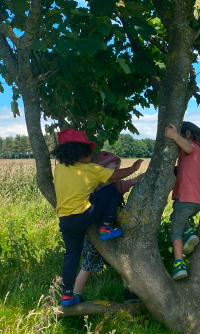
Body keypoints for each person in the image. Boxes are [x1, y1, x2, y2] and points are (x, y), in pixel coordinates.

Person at [53, 129, 143, 307]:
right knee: (110, 190)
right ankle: (106, 226)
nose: (92, 157)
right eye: (89, 153)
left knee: (71, 256)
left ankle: (67, 294)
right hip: (83, 216)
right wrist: (133, 168)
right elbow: (115, 177)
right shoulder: (91, 169)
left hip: (65, 221)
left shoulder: (60, 169)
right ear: (80, 153)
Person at [73, 150, 144, 304]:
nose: (117, 172)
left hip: (113, 233)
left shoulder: (118, 185)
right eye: (114, 168)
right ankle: (76, 294)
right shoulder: (94, 186)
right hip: (94, 234)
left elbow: (133, 181)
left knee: (122, 262)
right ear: (103, 170)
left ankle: (129, 293)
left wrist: (147, 174)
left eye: (119, 168)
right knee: (88, 265)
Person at [165, 121, 200, 280]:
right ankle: (189, 232)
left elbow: (188, 147)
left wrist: (174, 136)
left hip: (185, 197)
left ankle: (179, 264)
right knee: (176, 217)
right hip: (198, 201)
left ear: (187, 135)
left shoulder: (190, 148)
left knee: (175, 231)